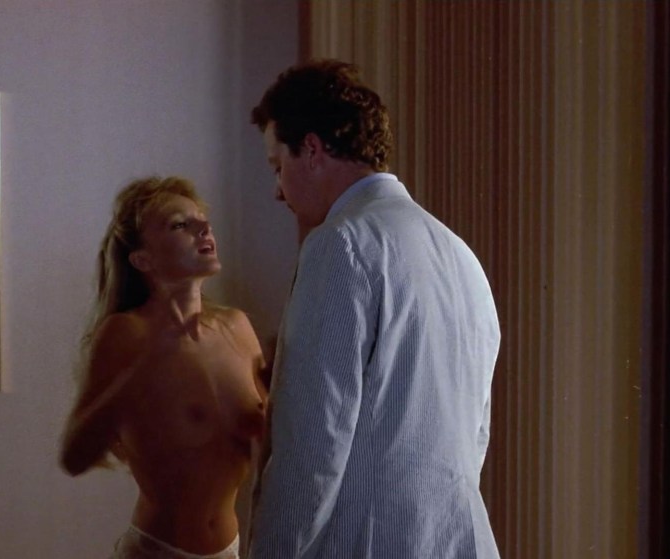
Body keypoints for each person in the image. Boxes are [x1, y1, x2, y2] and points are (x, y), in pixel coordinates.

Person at [247, 59, 502, 558]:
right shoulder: (460, 255)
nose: (278, 190)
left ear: (312, 150)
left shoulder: (340, 245)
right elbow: (476, 433)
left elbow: (312, 444)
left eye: (278, 166)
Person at [60, 176, 267, 559]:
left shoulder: (237, 326)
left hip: (232, 550)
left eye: (202, 219)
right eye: (180, 224)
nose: (204, 228)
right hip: (158, 551)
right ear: (143, 260)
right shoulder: (126, 333)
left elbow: (271, 440)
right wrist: (143, 368)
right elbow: (73, 457)